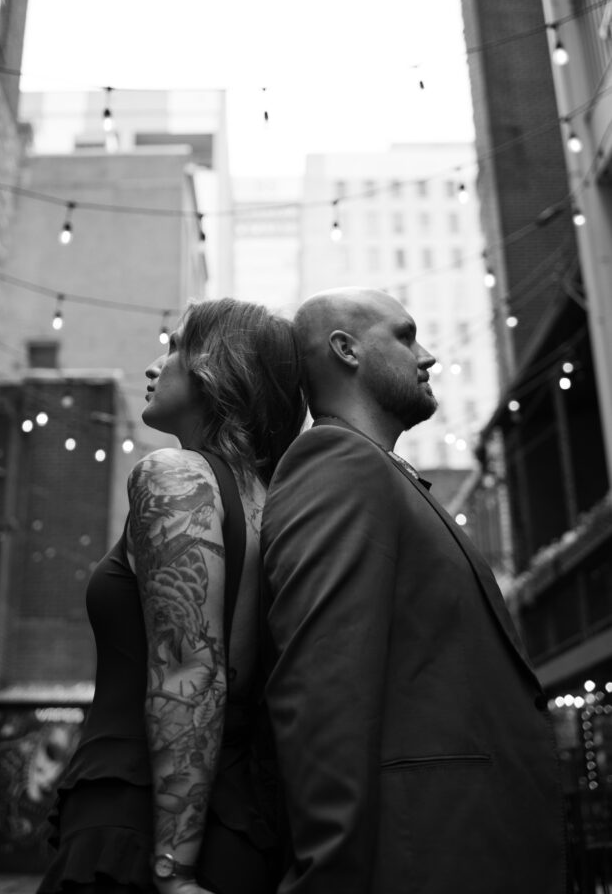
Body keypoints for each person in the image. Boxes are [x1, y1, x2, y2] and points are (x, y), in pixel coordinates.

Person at [260, 287, 567, 894]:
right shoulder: (335, 465)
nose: (425, 355)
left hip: (472, 844)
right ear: (345, 350)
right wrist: (328, 875)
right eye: (404, 336)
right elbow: (324, 687)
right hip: (424, 855)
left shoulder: (386, 477)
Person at [38, 297, 306, 894]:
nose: (155, 365)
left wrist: (173, 868)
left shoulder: (176, 475)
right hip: (241, 815)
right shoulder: (279, 502)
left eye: (177, 346)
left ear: (219, 367)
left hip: (145, 817)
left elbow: (190, 665)